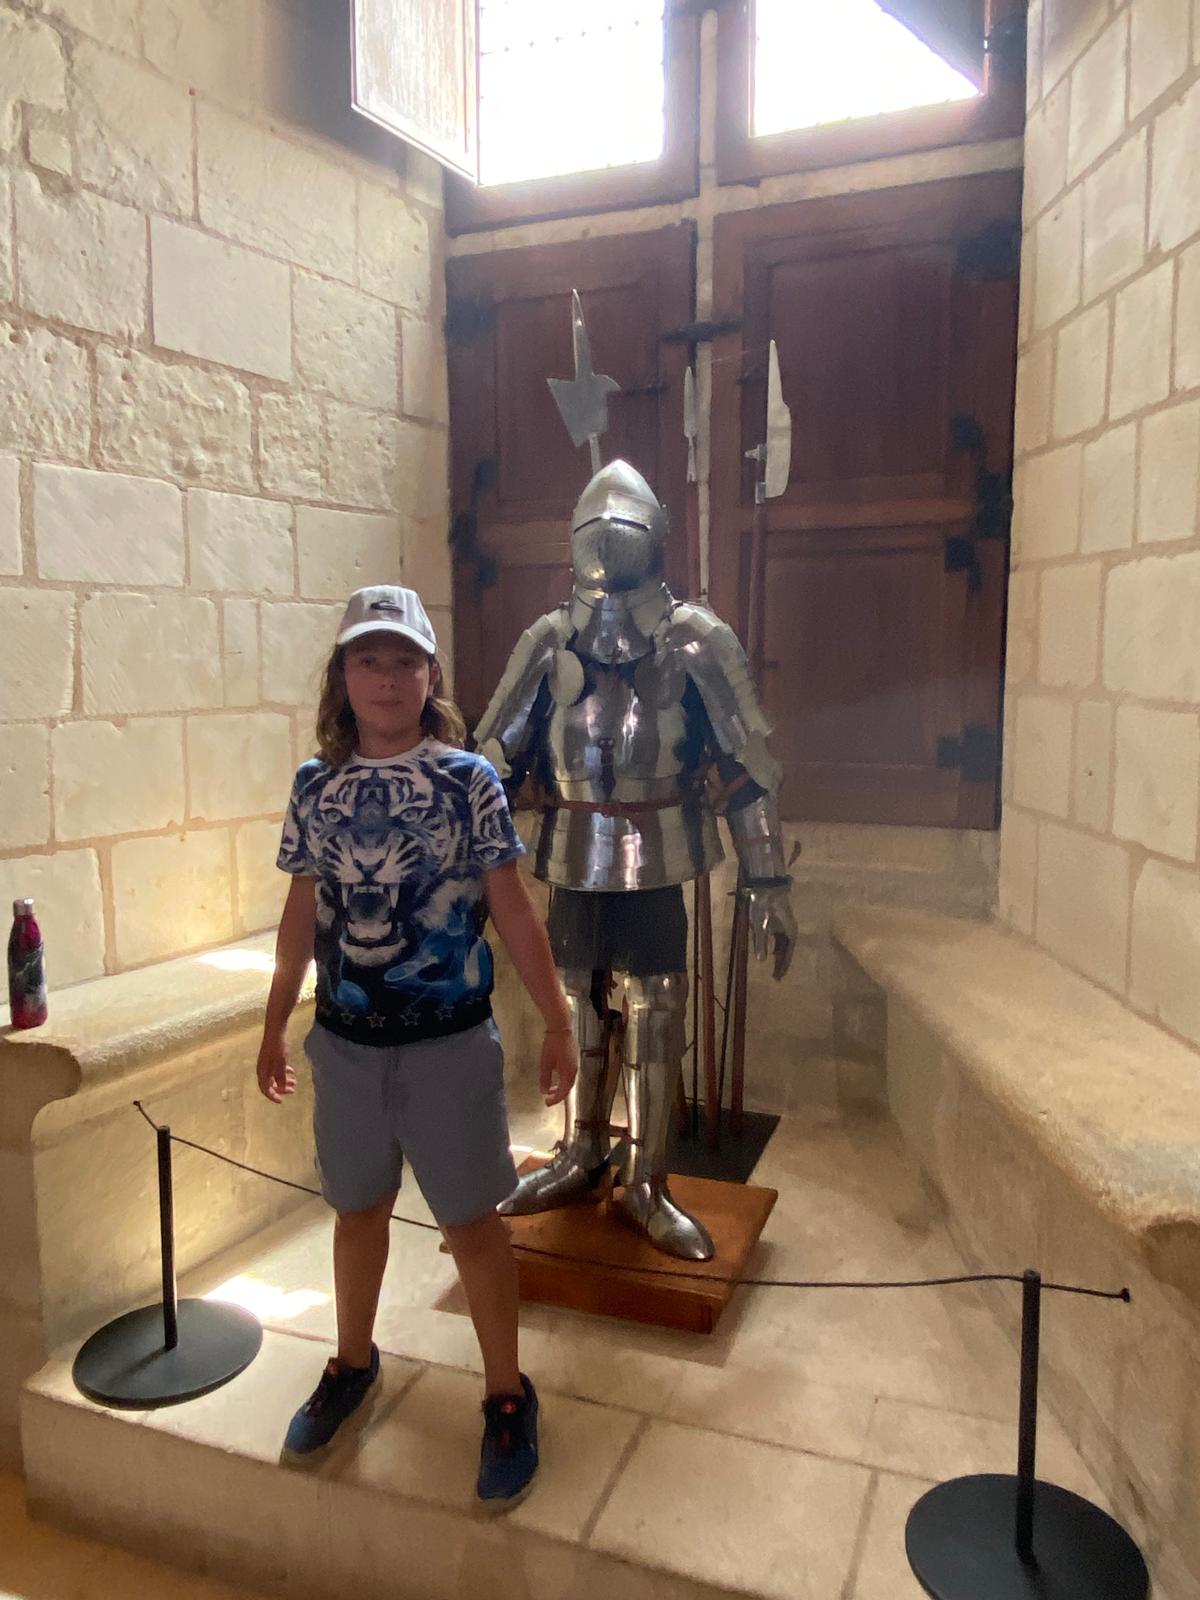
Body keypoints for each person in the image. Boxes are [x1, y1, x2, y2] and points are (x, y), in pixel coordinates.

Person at [254, 583, 577, 1509]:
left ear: (431, 675)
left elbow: (511, 906)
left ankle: (507, 1394)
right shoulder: (315, 785)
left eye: (404, 661)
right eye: (369, 659)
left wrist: (558, 1018)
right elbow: (301, 911)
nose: (387, 678)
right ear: (343, 675)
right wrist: (275, 1018)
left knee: (471, 1224)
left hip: (448, 1045)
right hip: (348, 1042)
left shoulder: (468, 780)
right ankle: (353, 1362)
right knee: (356, 1212)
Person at [475, 460, 797, 1262]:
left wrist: (767, 878)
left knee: (657, 1005)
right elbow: (488, 764)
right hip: (574, 849)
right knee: (579, 1002)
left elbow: (747, 765)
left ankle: (649, 1180)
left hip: (658, 851)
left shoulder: (697, 639)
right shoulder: (548, 640)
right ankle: (582, 1153)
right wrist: (469, 872)